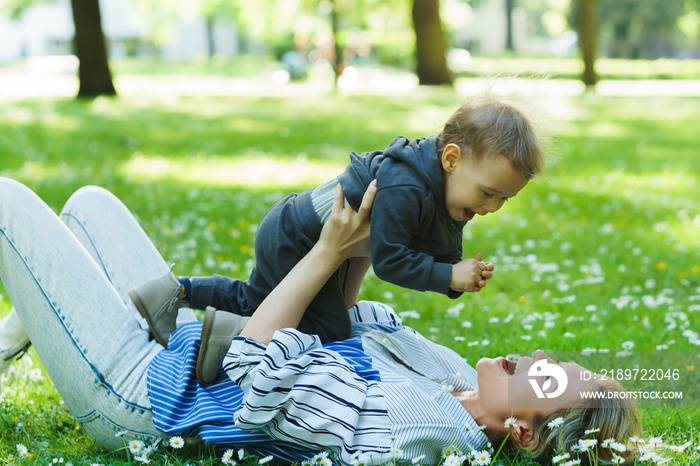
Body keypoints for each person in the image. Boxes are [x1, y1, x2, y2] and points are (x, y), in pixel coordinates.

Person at [0, 178, 640, 465]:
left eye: (546, 380)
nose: (532, 360)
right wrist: (363, 245)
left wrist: (326, 254)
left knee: (8, 205)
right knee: (89, 205)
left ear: (525, 435)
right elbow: (349, 324)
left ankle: (52, 321)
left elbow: (257, 367)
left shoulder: (419, 430)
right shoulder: (452, 381)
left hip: (145, 392)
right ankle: (27, 328)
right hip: (187, 343)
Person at [129, 95, 543, 384]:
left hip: (305, 235)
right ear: (451, 159)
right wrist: (448, 275)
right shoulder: (409, 188)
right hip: (296, 237)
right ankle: (233, 340)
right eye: (488, 193)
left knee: (262, 298)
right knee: (328, 332)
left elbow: (442, 246)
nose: (491, 207)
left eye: (503, 199)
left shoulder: (445, 190)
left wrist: (458, 276)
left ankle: (174, 293)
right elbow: (391, 261)